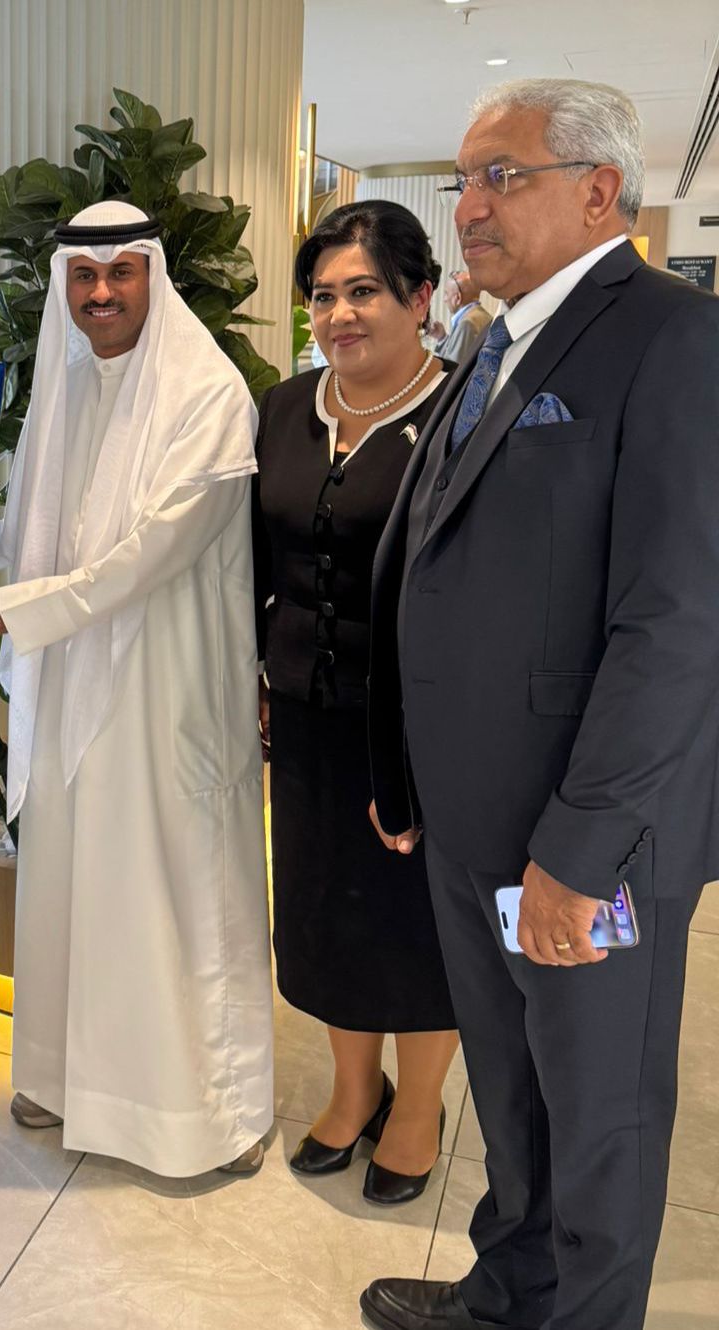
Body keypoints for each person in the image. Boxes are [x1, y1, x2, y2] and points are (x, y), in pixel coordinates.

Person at [362, 79, 719, 1330]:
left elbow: (677, 623)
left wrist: (578, 851)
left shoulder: (673, 338)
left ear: (598, 190)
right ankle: (506, 1292)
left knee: (599, 1115)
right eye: (462, 180)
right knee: (512, 1093)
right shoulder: (496, 336)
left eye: (498, 176)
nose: (467, 209)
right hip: (473, 823)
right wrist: (409, 776)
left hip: (584, 838)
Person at [0, 199, 273, 1178]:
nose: (100, 293)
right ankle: (62, 1074)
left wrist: (23, 608)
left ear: (153, 278)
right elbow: (28, 526)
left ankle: (198, 1112)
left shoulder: (207, 392)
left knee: (169, 889)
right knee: (73, 878)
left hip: (165, 690)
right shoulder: (70, 386)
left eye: (121, 273)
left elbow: (152, 553)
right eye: (84, 278)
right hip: (73, 678)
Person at [252, 200, 458, 1207]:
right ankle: (352, 1087)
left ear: (420, 297)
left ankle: (417, 1108)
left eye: (365, 289)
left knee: (415, 925)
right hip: (304, 714)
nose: (340, 313)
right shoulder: (284, 410)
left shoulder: (469, 412)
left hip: (424, 727)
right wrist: (255, 670)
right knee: (326, 910)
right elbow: (253, 562)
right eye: (324, 294)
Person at [436, 268, 492, 364]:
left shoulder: (467, 324)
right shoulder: (484, 316)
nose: (445, 299)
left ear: (457, 298)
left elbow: (452, 368)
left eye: (446, 294)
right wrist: (442, 337)